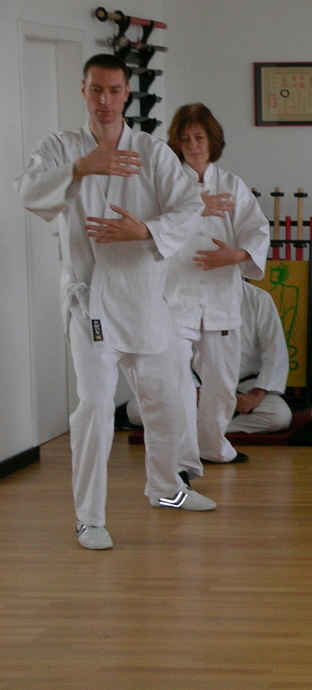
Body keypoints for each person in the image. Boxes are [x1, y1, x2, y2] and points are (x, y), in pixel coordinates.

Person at [14, 54, 217, 551]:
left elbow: (190, 207)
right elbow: (28, 192)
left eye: (114, 91)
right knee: (97, 405)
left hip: (145, 299)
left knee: (169, 400)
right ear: (83, 91)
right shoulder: (61, 147)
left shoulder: (151, 150)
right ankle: (89, 518)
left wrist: (145, 229)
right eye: (95, 90)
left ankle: (167, 490)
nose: (104, 101)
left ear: (127, 94)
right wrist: (84, 167)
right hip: (91, 304)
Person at [163, 103, 271, 464]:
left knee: (223, 383)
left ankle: (213, 446)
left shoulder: (232, 185)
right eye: (186, 138)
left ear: (213, 141)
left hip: (221, 294)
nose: (193, 145)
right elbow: (153, 230)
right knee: (176, 382)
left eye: (200, 137)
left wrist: (237, 256)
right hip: (177, 296)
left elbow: (256, 229)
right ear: (177, 143)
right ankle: (181, 458)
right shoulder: (166, 185)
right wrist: (196, 206)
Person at [127, 282, 292, 434]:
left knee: (279, 416)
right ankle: (208, 429)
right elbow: (174, 352)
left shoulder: (257, 298)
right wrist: (195, 390)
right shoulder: (179, 297)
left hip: (244, 386)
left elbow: (275, 350)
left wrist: (255, 395)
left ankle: (197, 430)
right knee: (136, 410)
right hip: (194, 384)